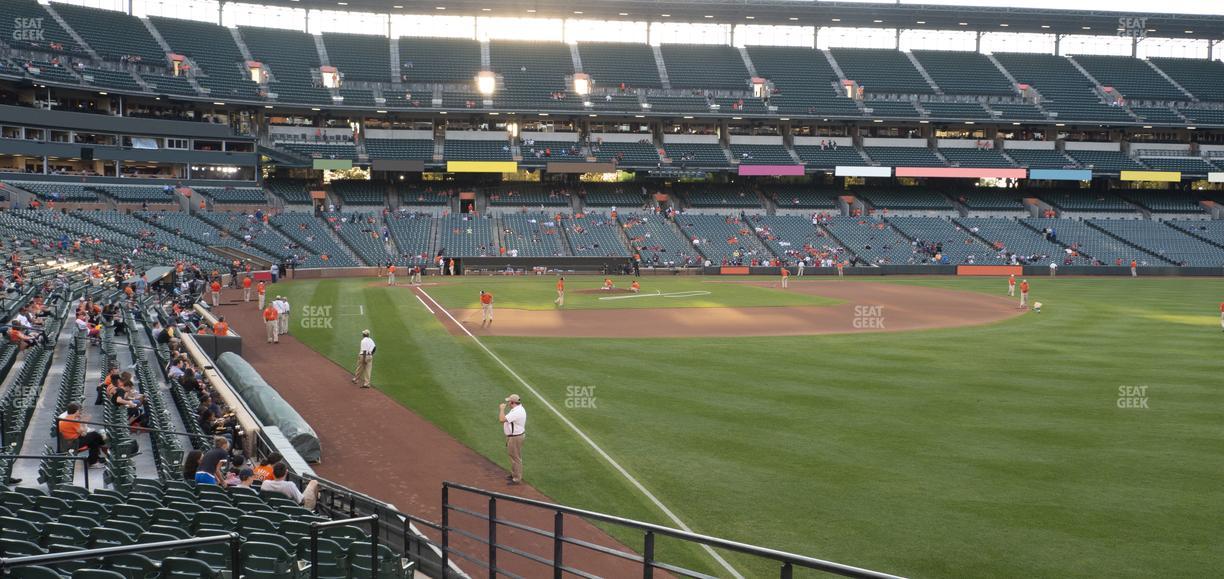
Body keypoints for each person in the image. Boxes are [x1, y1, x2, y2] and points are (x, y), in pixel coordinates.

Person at [499, 394, 527, 485]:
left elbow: (502, 419)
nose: (508, 403)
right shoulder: (517, 409)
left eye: (509, 401)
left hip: (515, 437)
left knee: (516, 458)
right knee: (513, 456)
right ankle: (514, 474)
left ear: (512, 402)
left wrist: (502, 409)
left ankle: (517, 479)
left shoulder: (517, 412)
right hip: (514, 436)